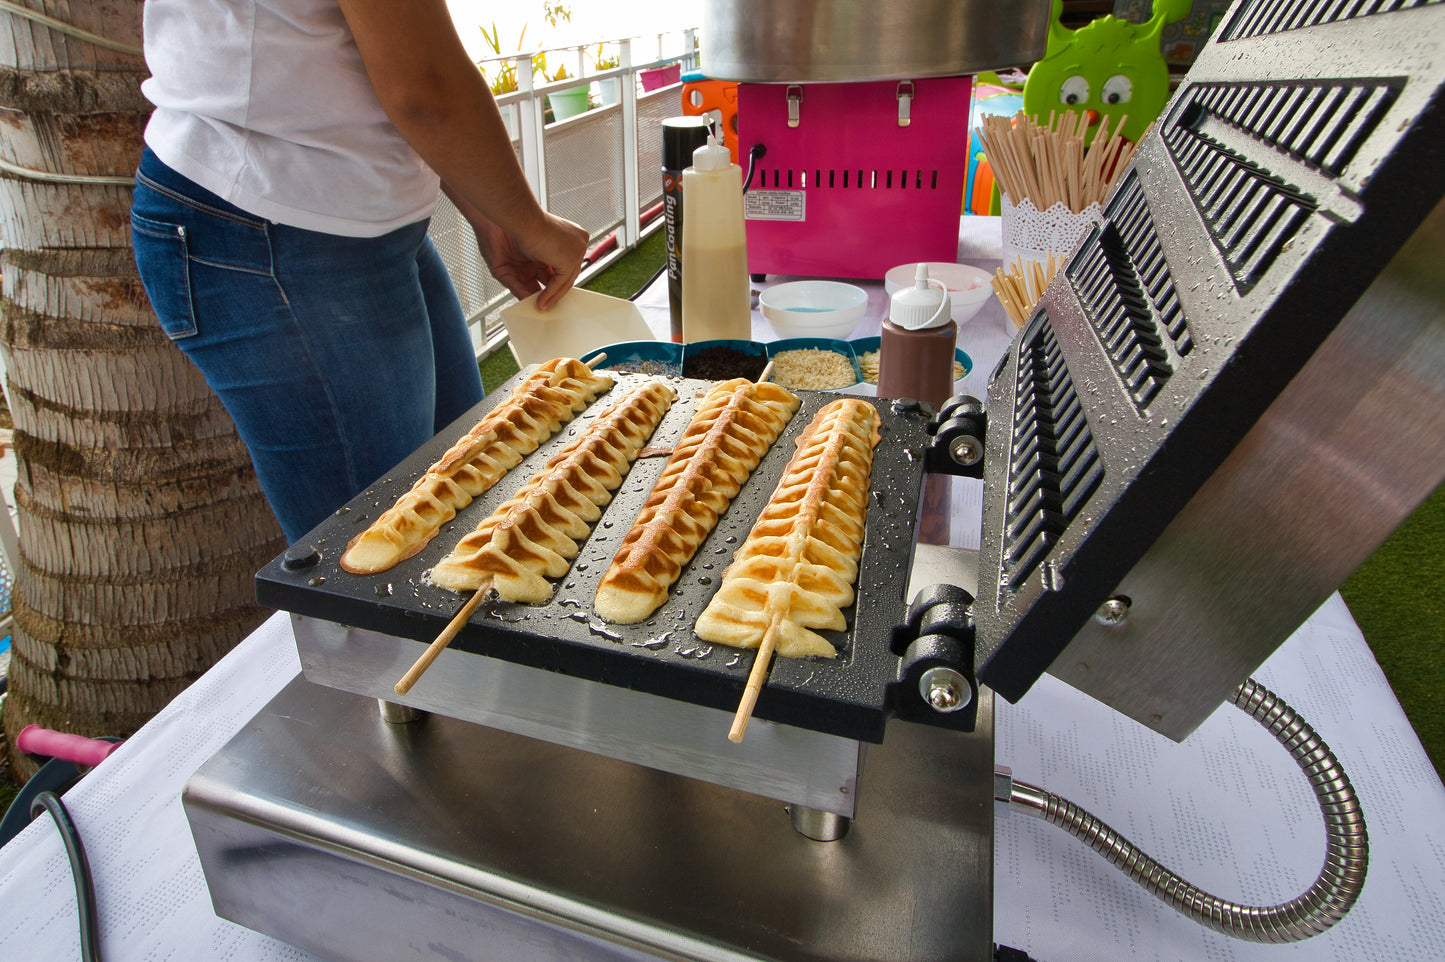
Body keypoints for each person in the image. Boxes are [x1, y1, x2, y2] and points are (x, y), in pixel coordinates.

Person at [130, 0, 589, 544]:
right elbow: (424, 88)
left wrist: (490, 213)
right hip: (267, 228)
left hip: (367, 226)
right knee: (374, 552)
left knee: (472, 490)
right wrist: (529, 222)